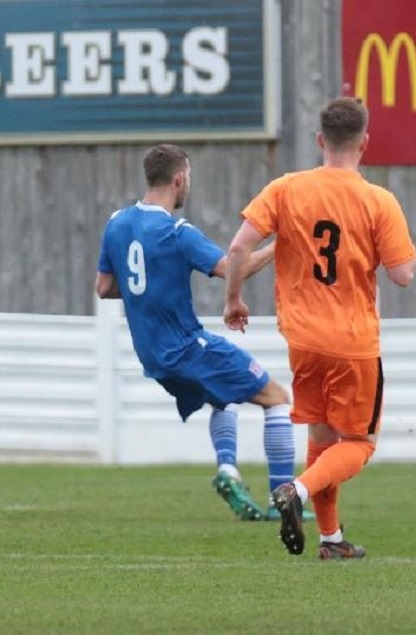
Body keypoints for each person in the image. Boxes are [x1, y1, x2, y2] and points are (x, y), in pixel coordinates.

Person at [223, 97, 416, 559]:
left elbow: (237, 249)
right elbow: (403, 275)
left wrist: (233, 299)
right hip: (352, 342)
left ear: (319, 141)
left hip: (303, 340)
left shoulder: (287, 189)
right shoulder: (378, 200)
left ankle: (331, 541)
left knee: (322, 441)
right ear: (364, 143)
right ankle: (297, 491)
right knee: (359, 444)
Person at [95, 143, 298, 522]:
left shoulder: (117, 222)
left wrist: (151, 286)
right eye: (188, 177)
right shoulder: (176, 232)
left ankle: (228, 470)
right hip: (186, 346)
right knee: (276, 397)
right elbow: (233, 267)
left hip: (152, 355)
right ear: (179, 179)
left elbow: (104, 287)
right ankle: (281, 500)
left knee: (224, 397)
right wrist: (280, 245)